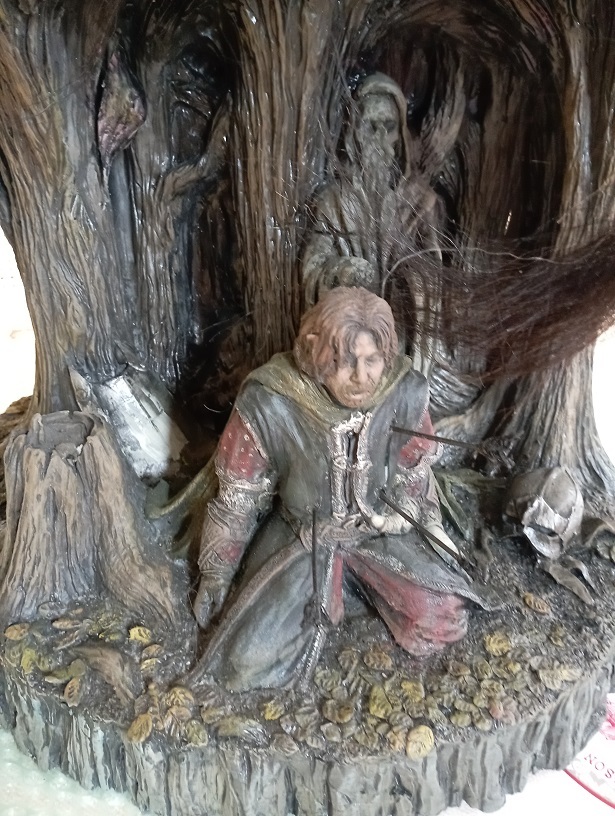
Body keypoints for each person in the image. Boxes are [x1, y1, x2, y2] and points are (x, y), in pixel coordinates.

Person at [192, 287, 487, 691]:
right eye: (346, 362)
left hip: (379, 532)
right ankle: (332, 596)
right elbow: (236, 500)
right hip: (303, 539)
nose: (362, 378)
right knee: (244, 665)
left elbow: (414, 470)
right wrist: (216, 573)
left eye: (372, 361)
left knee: (444, 616)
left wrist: (415, 518)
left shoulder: (403, 391)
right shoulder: (269, 401)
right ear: (316, 351)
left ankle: (356, 594)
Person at [302, 73, 445, 376]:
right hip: (348, 344)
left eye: (388, 126)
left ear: (400, 136)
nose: (379, 137)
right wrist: (341, 271)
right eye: (371, 125)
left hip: (400, 334)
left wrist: (411, 277)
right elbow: (313, 267)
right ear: (354, 132)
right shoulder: (333, 202)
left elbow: (434, 269)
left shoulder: (420, 202)